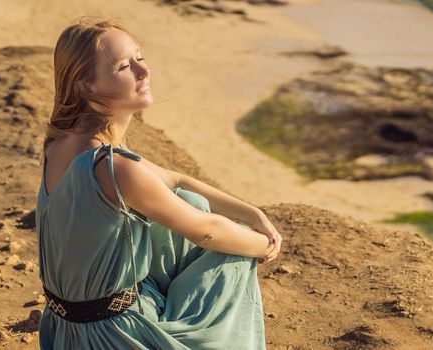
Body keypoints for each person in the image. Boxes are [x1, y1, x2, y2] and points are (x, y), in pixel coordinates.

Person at [35, 17, 283, 349]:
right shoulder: (113, 168)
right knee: (233, 255)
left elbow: (178, 179)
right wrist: (263, 245)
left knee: (188, 202)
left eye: (141, 57)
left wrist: (252, 214)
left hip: (68, 330)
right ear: (86, 86)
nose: (143, 71)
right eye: (125, 66)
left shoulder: (60, 145)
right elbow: (206, 231)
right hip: (114, 336)